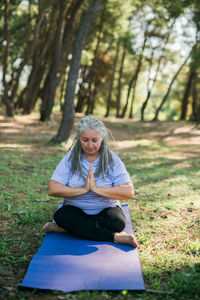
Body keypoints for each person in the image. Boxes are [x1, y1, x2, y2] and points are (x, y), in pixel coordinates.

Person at [42, 116, 139, 248]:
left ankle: (67, 228)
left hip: (106, 210)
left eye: (95, 140)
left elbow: (129, 191)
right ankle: (115, 237)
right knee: (61, 216)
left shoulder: (112, 159)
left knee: (118, 223)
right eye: (85, 140)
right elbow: (52, 189)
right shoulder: (70, 158)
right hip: (76, 210)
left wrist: (96, 189)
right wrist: (83, 190)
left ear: (102, 139)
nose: (90, 145)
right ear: (78, 138)